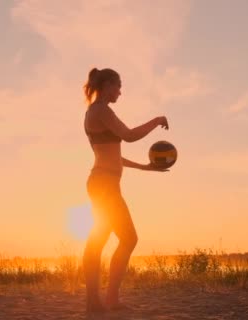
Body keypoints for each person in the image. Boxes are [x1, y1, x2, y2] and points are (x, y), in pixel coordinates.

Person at [82, 67, 169, 312]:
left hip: (103, 183)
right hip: (104, 186)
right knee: (126, 239)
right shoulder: (101, 110)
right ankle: (101, 300)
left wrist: (145, 167)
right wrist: (157, 120)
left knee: (101, 241)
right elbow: (129, 136)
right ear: (108, 85)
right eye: (118, 86)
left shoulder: (95, 111)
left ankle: (101, 300)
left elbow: (113, 156)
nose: (120, 92)